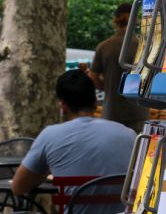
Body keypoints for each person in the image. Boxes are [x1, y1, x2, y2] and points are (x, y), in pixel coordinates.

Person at [12, 70, 137, 198]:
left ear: (62, 106)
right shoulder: (129, 135)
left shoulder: (50, 136)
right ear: (95, 102)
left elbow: (18, 187)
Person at [88, 2, 149, 133]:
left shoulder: (104, 46)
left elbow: (92, 77)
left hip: (112, 112)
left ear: (115, 20)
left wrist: (107, 87)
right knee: (136, 151)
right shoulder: (143, 47)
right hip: (138, 112)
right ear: (135, 20)